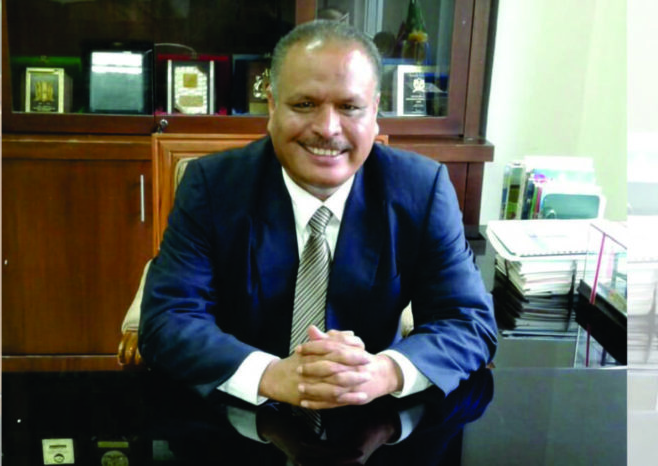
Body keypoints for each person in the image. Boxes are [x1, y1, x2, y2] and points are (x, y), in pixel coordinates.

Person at [139, 20, 497, 411]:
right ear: (272, 105)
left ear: (374, 111)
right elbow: (167, 319)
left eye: (350, 107)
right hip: (239, 415)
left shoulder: (421, 190)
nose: (327, 129)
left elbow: (468, 321)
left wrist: (382, 372)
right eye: (305, 105)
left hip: (374, 416)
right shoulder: (212, 186)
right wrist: (270, 375)